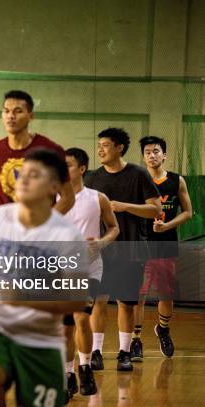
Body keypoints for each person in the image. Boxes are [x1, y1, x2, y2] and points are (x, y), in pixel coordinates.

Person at [0, 148, 87, 407]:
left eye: (34, 175)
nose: (23, 180)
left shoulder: (68, 235)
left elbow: (77, 299)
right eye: (22, 174)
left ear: (53, 187)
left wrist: (24, 298)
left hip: (42, 337)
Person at [85, 128, 161, 372]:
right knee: (98, 301)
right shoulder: (93, 178)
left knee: (126, 303)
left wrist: (124, 207)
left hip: (130, 248)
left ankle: (124, 353)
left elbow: (154, 209)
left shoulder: (138, 174)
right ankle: (95, 351)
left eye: (105, 145)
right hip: (99, 250)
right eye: (99, 145)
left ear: (119, 148)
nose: (100, 150)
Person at [62, 147, 119, 398]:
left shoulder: (98, 198)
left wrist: (101, 243)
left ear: (82, 168)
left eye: (69, 165)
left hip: (89, 268)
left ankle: (85, 367)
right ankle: (67, 374)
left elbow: (114, 228)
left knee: (81, 318)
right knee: (64, 328)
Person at [130, 136, 193, 361]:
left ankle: (163, 329)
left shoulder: (176, 181)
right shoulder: (136, 181)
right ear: (143, 156)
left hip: (165, 245)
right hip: (140, 244)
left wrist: (167, 225)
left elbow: (188, 212)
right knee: (136, 295)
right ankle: (135, 341)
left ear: (164, 155)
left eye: (156, 151)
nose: (152, 155)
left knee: (166, 295)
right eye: (147, 152)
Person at [0, 90, 74, 217]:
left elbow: (68, 197)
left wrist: (44, 225)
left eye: (18, 111)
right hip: (5, 230)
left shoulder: (51, 150)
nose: (11, 116)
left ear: (30, 115)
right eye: (6, 111)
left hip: (37, 231)